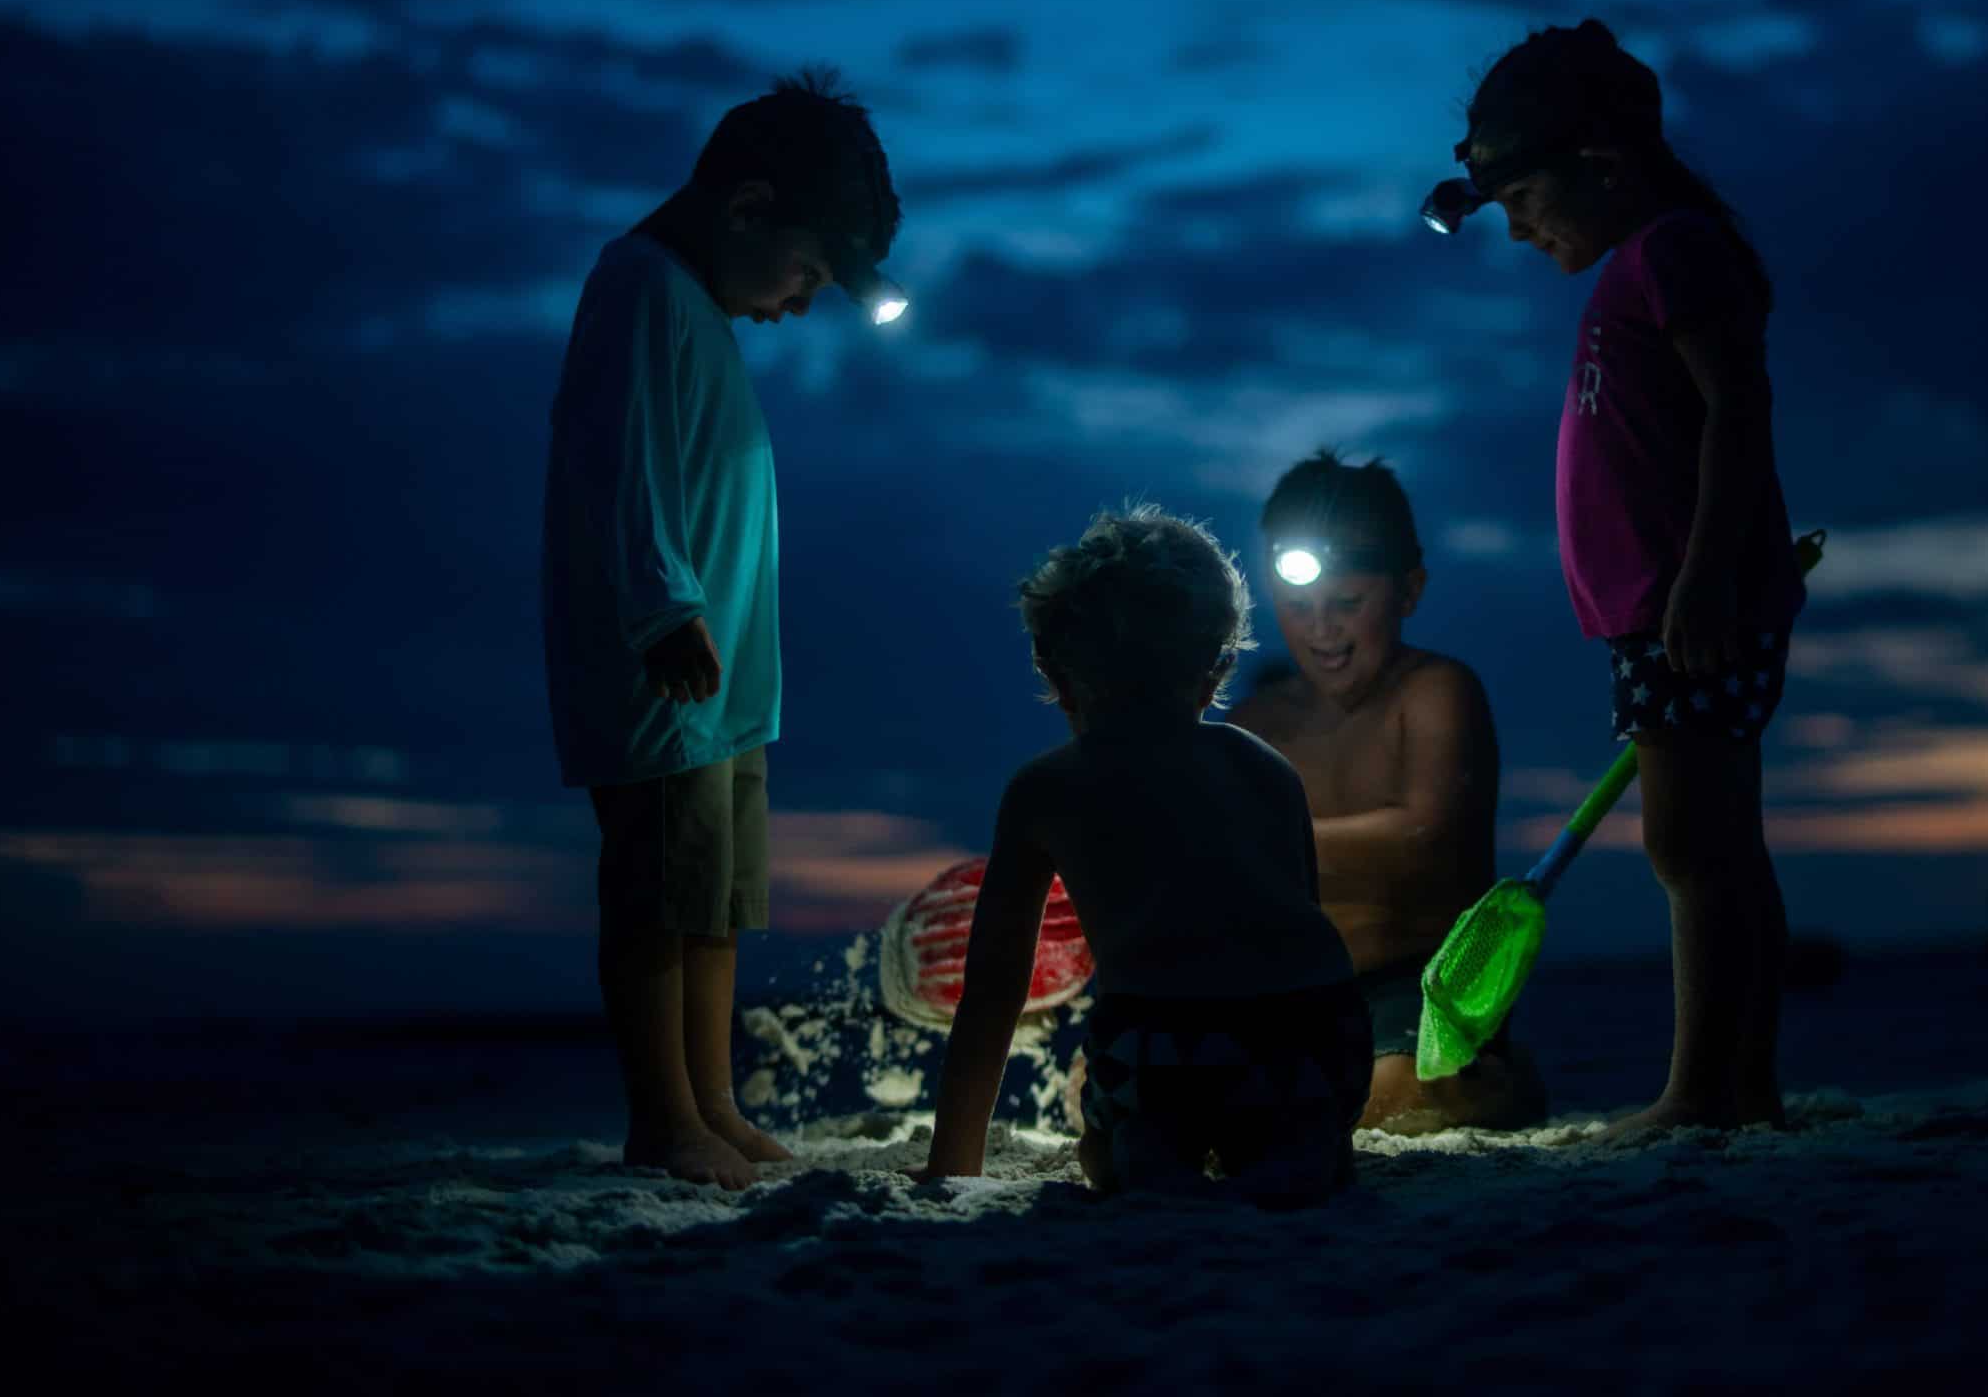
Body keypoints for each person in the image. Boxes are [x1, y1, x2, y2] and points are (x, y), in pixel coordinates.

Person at [1420, 20, 1806, 1134]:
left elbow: (1740, 412)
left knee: (1696, 845)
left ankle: (1704, 1094)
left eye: (1523, 200)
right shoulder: (1640, 266)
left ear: (1599, 164)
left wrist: (1700, 578)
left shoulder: (1674, 249)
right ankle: (1741, 1088)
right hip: (1665, 614)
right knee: (1708, 841)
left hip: (1695, 610)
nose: (1518, 229)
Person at [542, 69, 902, 1190]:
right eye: (804, 272)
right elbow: (625, 462)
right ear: (746, 208)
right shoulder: (641, 286)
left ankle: (712, 1100)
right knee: (658, 891)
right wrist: (662, 607)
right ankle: (663, 1116)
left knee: (715, 897)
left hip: (727, 681)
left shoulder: (697, 307)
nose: (799, 303)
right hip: (669, 668)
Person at [918, 505, 1369, 1205]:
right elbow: (1303, 922)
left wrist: (952, 1162)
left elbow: (994, 991)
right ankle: (1302, 1144)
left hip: (1169, 1048)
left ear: (1052, 668)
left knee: (1109, 1146)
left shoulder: (1046, 789)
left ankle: (1146, 1153)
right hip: (1317, 1037)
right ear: (1216, 673)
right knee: (1284, 1106)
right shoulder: (1264, 768)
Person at [1226, 450, 1541, 1133]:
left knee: (1393, 1096)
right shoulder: (1252, 724)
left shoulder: (1435, 693)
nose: (1322, 629)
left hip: (1415, 983)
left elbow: (1425, 837)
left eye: (1347, 604)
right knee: (1127, 1081)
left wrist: (1246, 843)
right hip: (1286, 990)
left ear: (1409, 591)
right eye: (1299, 606)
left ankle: (1491, 1079)